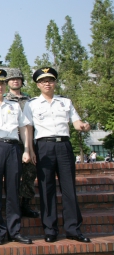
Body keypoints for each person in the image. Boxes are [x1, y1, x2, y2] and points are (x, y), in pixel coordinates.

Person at [23, 67, 91, 243]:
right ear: (38, 84)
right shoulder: (32, 104)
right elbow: (28, 128)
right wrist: (29, 149)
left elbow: (76, 123)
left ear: (55, 82)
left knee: (69, 189)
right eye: (43, 81)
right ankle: (50, 229)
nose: (47, 83)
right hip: (44, 146)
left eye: (50, 80)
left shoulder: (65, 102)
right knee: (47, 189)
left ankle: (73, 228)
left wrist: (84, 126)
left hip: (64, 146)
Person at [0, 70, 33, 245]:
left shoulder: (14, 105)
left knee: (13, 189)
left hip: (13, 147)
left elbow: (24, 128)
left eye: (1, 83)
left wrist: (26, 149)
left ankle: (14, 230)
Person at [4, 68, 40, 218]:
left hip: (28, 141)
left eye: (18, 79)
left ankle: (25, 203)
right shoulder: (5, 99)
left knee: (29, 173)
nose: (15, 81)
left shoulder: (30, 101)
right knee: (11, 175)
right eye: (12, 79)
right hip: (11, 141)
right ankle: (12, 204)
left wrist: (30, 147)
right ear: (7, 83)